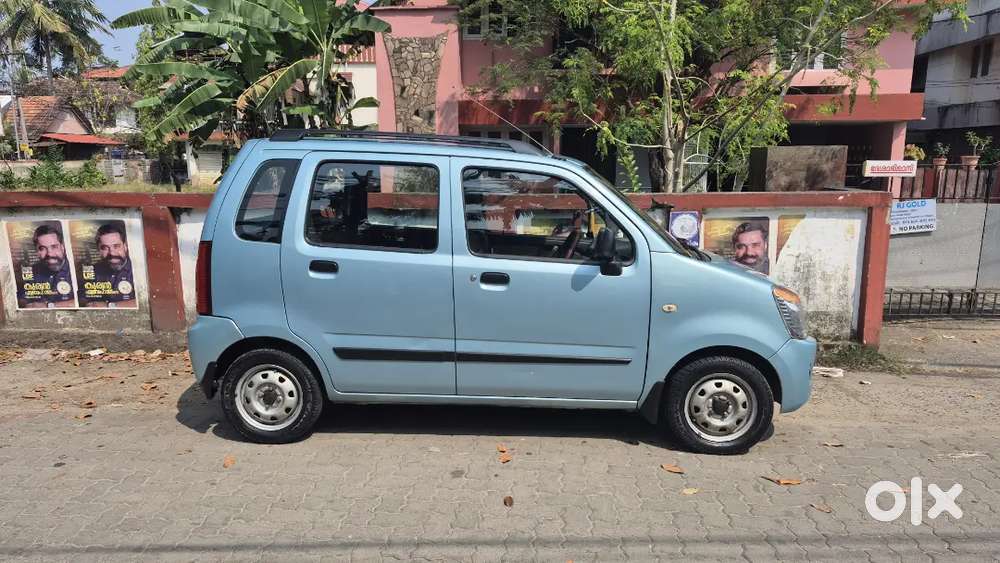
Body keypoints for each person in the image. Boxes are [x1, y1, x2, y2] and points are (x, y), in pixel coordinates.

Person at [18, 224, 75, 308]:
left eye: (54, 247)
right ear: (36, 251)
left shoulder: (76, 269)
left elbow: (84, 301)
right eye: (42, 248)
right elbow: (22, 299)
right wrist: (26, 303)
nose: (49, 254)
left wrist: (49, 306)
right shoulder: (32, 271)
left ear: (62, 247)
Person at [85, 222, 135, 308]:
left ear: (125, 246)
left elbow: (146, 300)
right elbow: (84, 298)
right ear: (98, 250)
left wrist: (110, 306)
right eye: (105, 248)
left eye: (116, 246)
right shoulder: (92, 270)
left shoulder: (138, 269)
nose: (112, 253)